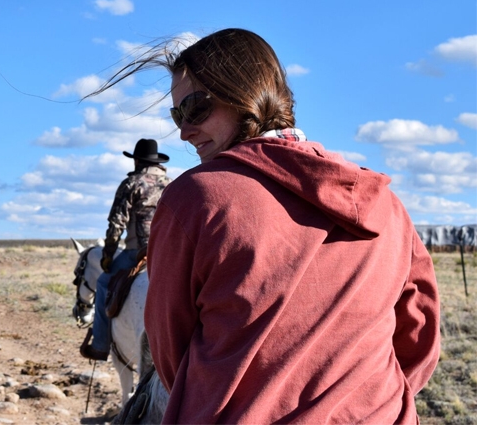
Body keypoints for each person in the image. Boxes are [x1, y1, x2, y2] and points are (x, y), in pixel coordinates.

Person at [91, 28, 440, 423]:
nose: (184, 131)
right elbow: (419, 340)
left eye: (195, 108)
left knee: (106, 285)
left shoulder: (194, 199)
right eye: (177, 115)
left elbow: (171, 356)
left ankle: (99, 341)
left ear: (244, 95)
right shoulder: (385, 204)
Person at [81, 138, 170, 362]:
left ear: (137, 160)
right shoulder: (172, 184)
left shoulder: (132, 183)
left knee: (104, 283)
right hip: (169, 251)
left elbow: (116, 224)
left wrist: (108, 255)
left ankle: (100, 345)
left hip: (137, 252)